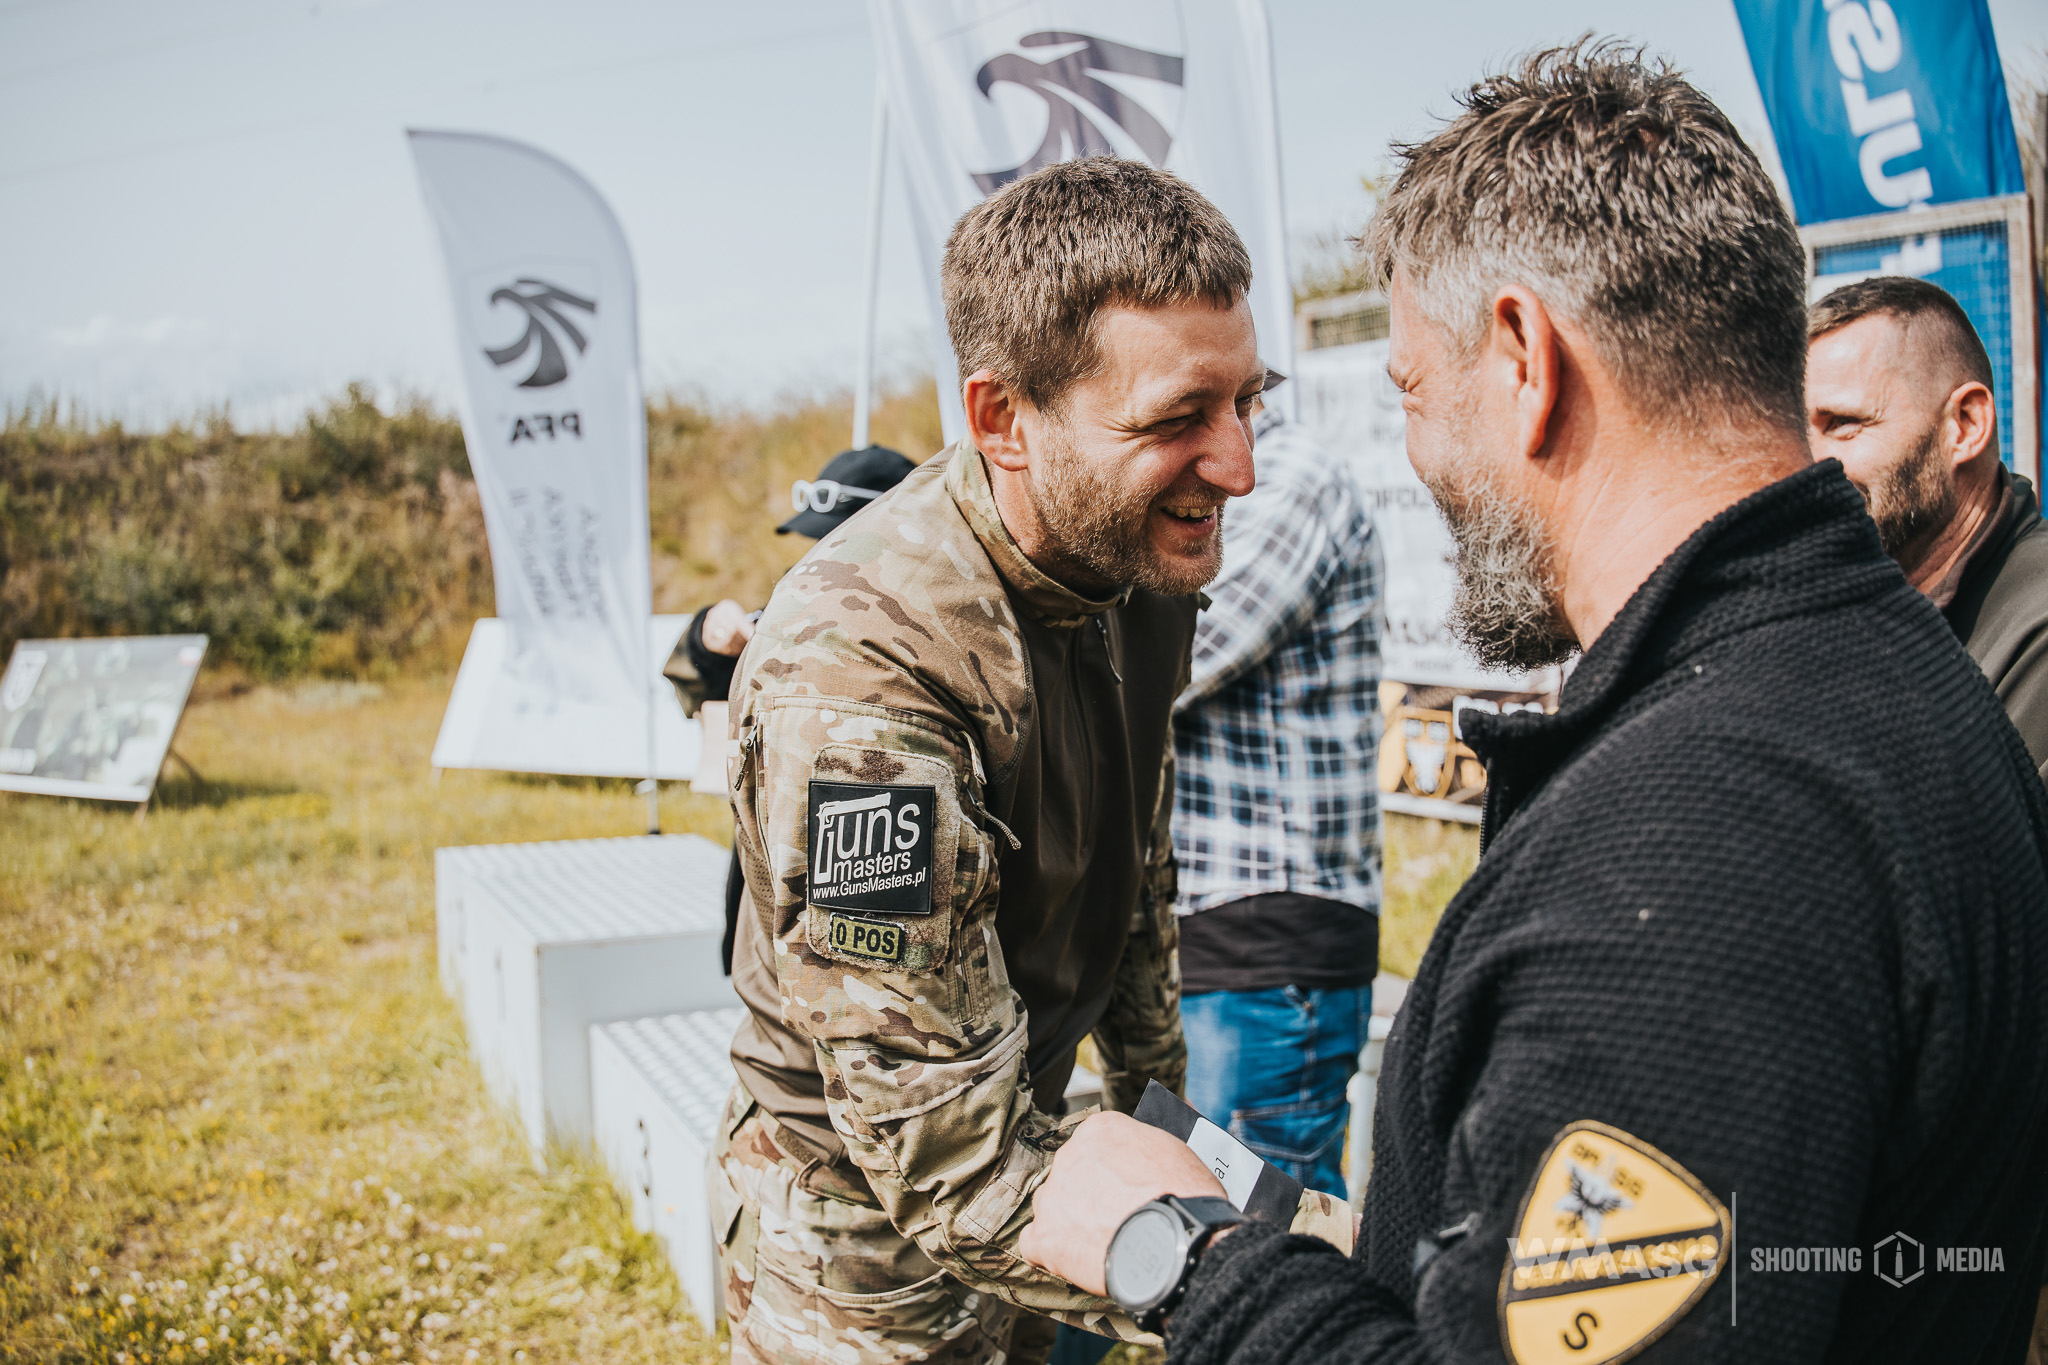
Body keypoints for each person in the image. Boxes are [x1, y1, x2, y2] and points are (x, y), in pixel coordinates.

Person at [1018, 43, 2048, 1364]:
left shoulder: (1698, 848)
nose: (1419, 452)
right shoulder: (1896, 671)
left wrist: (1191, 1257)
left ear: (1523, 356)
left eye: (1410, 389)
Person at [710, 157, 1348, 1365]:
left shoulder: (1134, 562)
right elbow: (943, 1159)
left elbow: (1128, 854)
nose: (1238, 467)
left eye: (1244, 403)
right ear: (1004, 419)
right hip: (865, 1266)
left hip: (1044, 1159)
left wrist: (1161, 1102)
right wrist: (1312, 1270)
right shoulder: (865, 678)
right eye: (1174, 421)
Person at [1171, 395, 1383, 1199]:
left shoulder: (1292, 479)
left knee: (1250, 1232)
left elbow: (1178, 659)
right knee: (1172, 1213)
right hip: (1221, 933)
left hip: (1267, 943)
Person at [663, 443, 916, 973]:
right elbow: (695, 686)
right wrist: (710, 636)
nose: (818, 561)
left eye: (837, 541)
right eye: (812, 543)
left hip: (881, 934)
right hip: (770, 920)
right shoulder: (789, 609)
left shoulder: (935, 640)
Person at [1806, 276, 2048, 779]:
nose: (1807, 465)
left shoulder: (2036, 627)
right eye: (1797, 429)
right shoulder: (1851, 605)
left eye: (1843, 423)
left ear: (1965, 425)